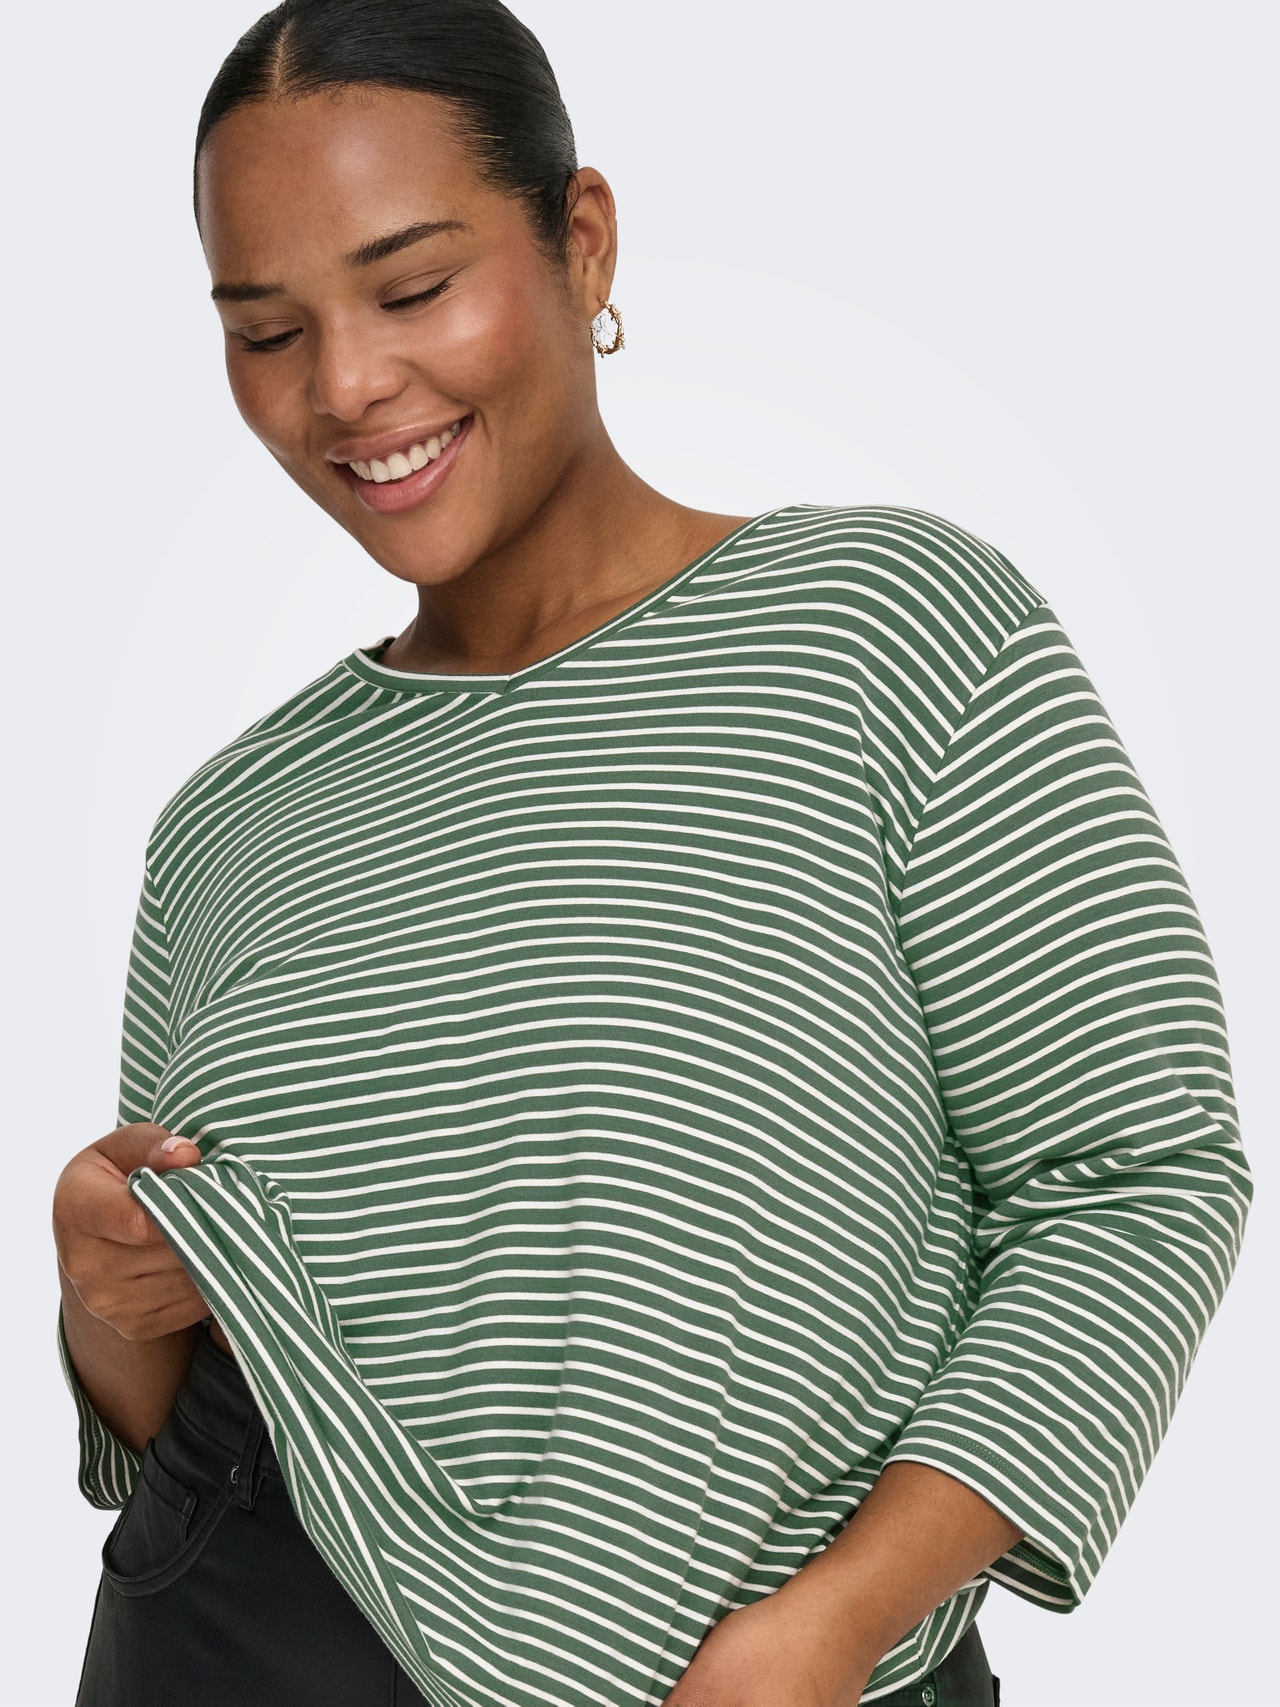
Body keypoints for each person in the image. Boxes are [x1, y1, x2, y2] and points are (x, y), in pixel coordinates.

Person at [50, 2, 1253, 1704]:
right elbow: (179, 1397)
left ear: (583, 240)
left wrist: (838, 1622)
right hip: (230, 1631)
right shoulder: (230, 821)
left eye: (412, 289)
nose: (346, 386)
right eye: (266, 330)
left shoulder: (885, 634)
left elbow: (1136, 1180)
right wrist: (106, 1301)